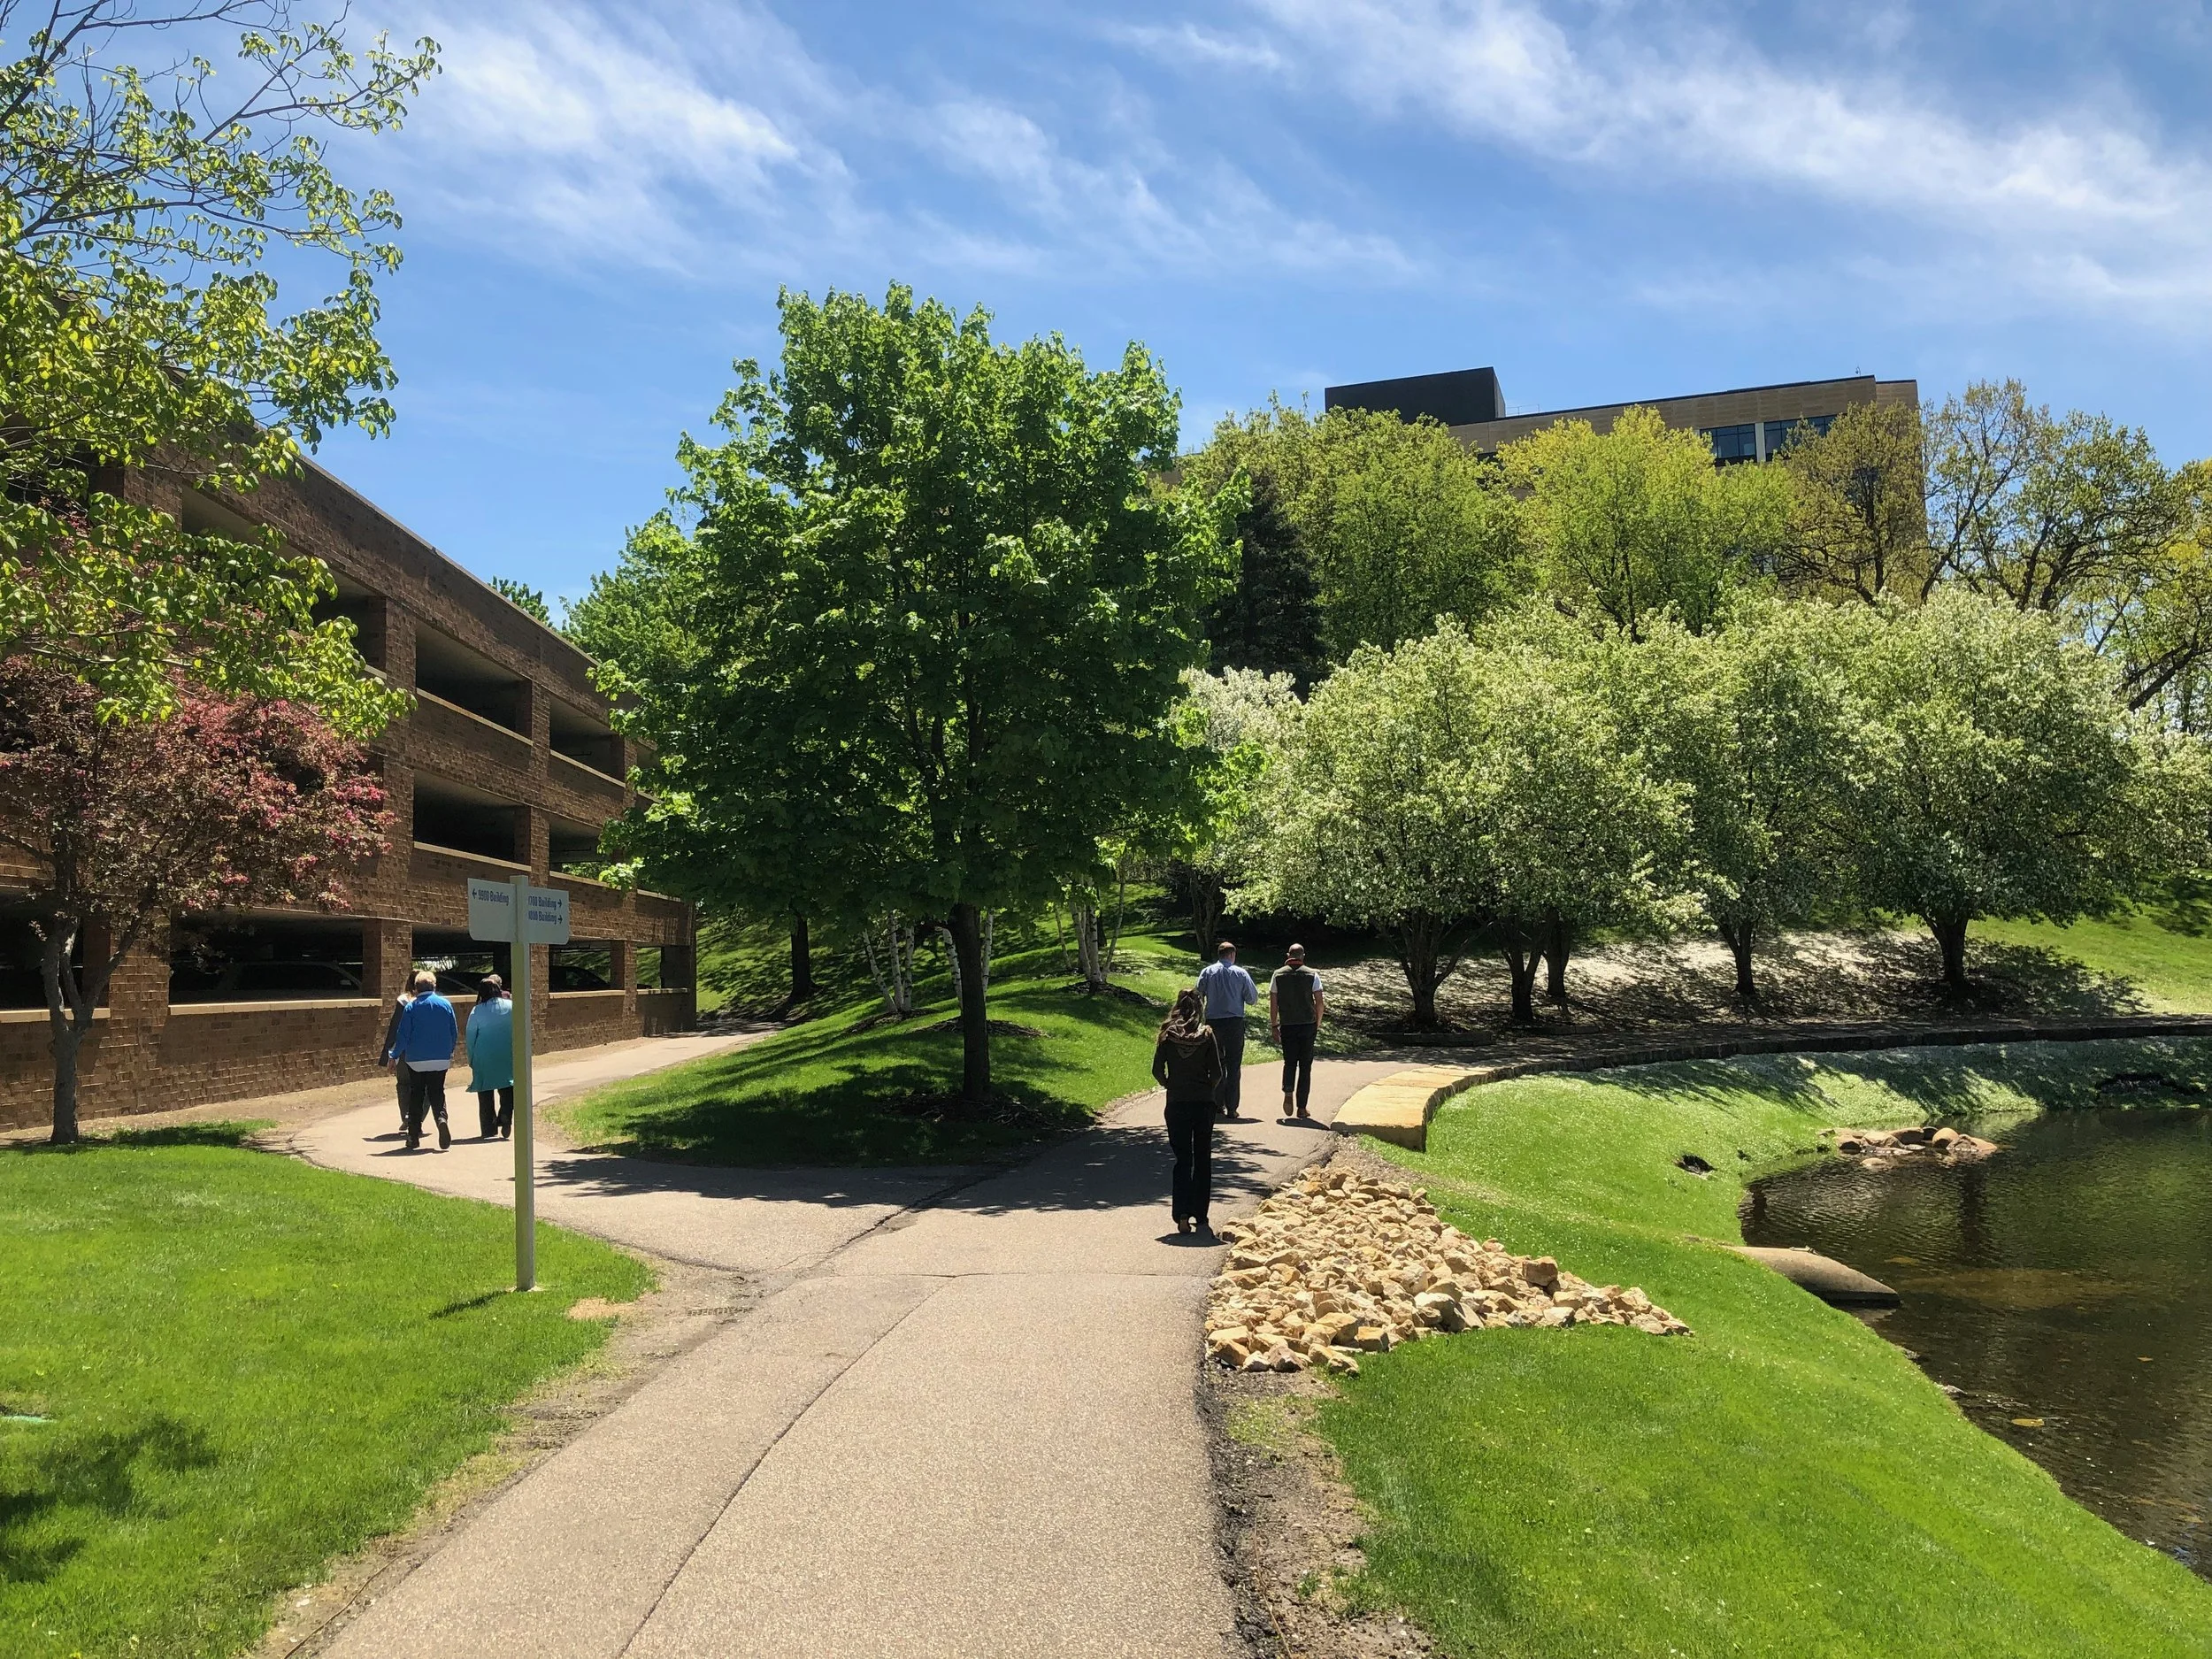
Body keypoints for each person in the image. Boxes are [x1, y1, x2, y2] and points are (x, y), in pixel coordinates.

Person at [1151, 987, 1224, 1235]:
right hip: (1203, 1104)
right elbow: (1217, 1073)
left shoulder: (1167, 1035)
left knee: (1183, 1159)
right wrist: (1206, 1088)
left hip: (1177, 1103)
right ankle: (1201, 1215)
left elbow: (1157, 1071)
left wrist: (1171, 1084)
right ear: (1200, 1007)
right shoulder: (1206, 1034)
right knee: (1202, 1157)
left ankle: (1181, 1213)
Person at [386, 970, 458, 1150]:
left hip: (416, 1060)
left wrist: (393, 1056)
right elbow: (454, 1031)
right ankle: (441, 1118)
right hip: (440, 1058)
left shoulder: (411, 1007)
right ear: (434, 986)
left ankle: (413, 1135)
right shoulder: (445, 1005)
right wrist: (449, 1051)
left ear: (416, 988)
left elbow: (403, 1035)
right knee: (437, 1092)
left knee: (416, 1094)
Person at [1194, 940, 1258, 1121]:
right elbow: (1252, 998)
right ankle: (1232, 1107)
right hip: (1234, 1023)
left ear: (1219, 954)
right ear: (1232, 955)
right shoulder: (1241, 973)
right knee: (1234, 1065)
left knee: (1215, 1063)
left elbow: (1198, 995)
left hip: (1213, 1023)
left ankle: (1216, 1103)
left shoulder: (1207, 972)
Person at [1268, 943, 1326, 1119]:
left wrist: (1274, 1025)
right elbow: (1319, 1001)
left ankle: (1288, 1091)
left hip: (1288, 1024)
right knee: (1306, 1066)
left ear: (1288, 955)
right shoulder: (1312, 974)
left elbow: (1273, 1002)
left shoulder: (1277, 975)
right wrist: (1318, 1021)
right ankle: (1302, 1107)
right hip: (1308, 1024)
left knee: (1290, 1062)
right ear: (1303, 956)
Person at [466, 974, 517, 1140]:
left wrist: (471, 1058)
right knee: (508, 1088)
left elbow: (471, 1037)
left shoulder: (477, 1010)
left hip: (484, 1055)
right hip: (507, 1054)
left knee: (485, 1093)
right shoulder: (511, 1006)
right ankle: (506, 1116)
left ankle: (488, 1128)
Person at [376, 979, 415, 1133]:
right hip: (426, 1051)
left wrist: (388, 1054)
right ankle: (416, 1118)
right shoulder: (438, 1002)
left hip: (405, 1051)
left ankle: (407, 1116)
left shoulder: (404, 1002)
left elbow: (395, 1030)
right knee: (425, 1087)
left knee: (404, 1084)